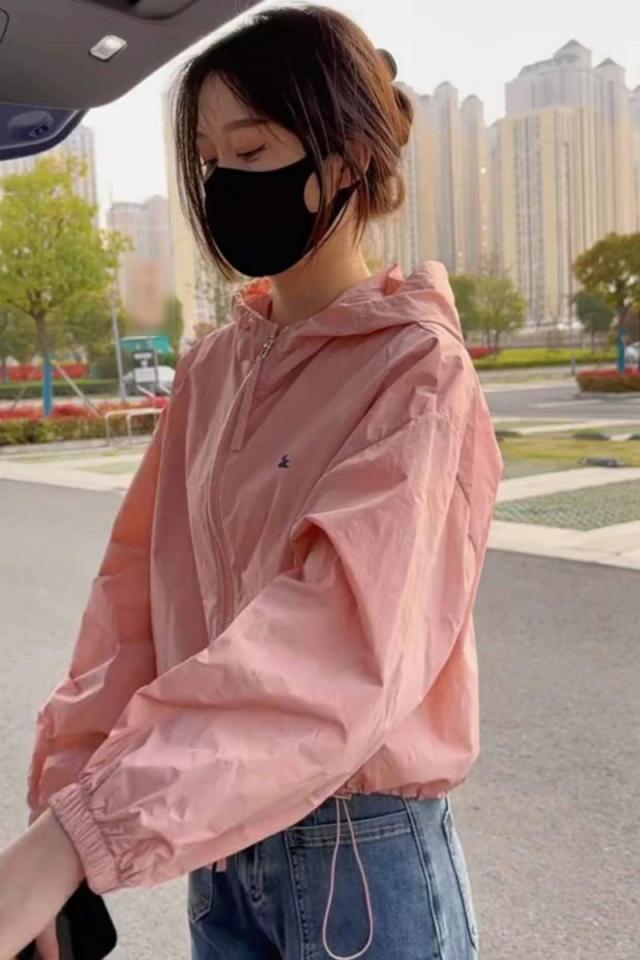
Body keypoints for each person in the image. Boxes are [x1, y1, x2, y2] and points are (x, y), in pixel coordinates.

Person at [0, 6, 502, 959]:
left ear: (347, 160)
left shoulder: (415, 370)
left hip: (361, 855)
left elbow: (336, 643)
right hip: (223, 852)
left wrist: (79, 836)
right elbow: (135, 604)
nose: (226, 180)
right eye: (208, 158)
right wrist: (62, 810)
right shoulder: (213, 368)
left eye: (254, 148)